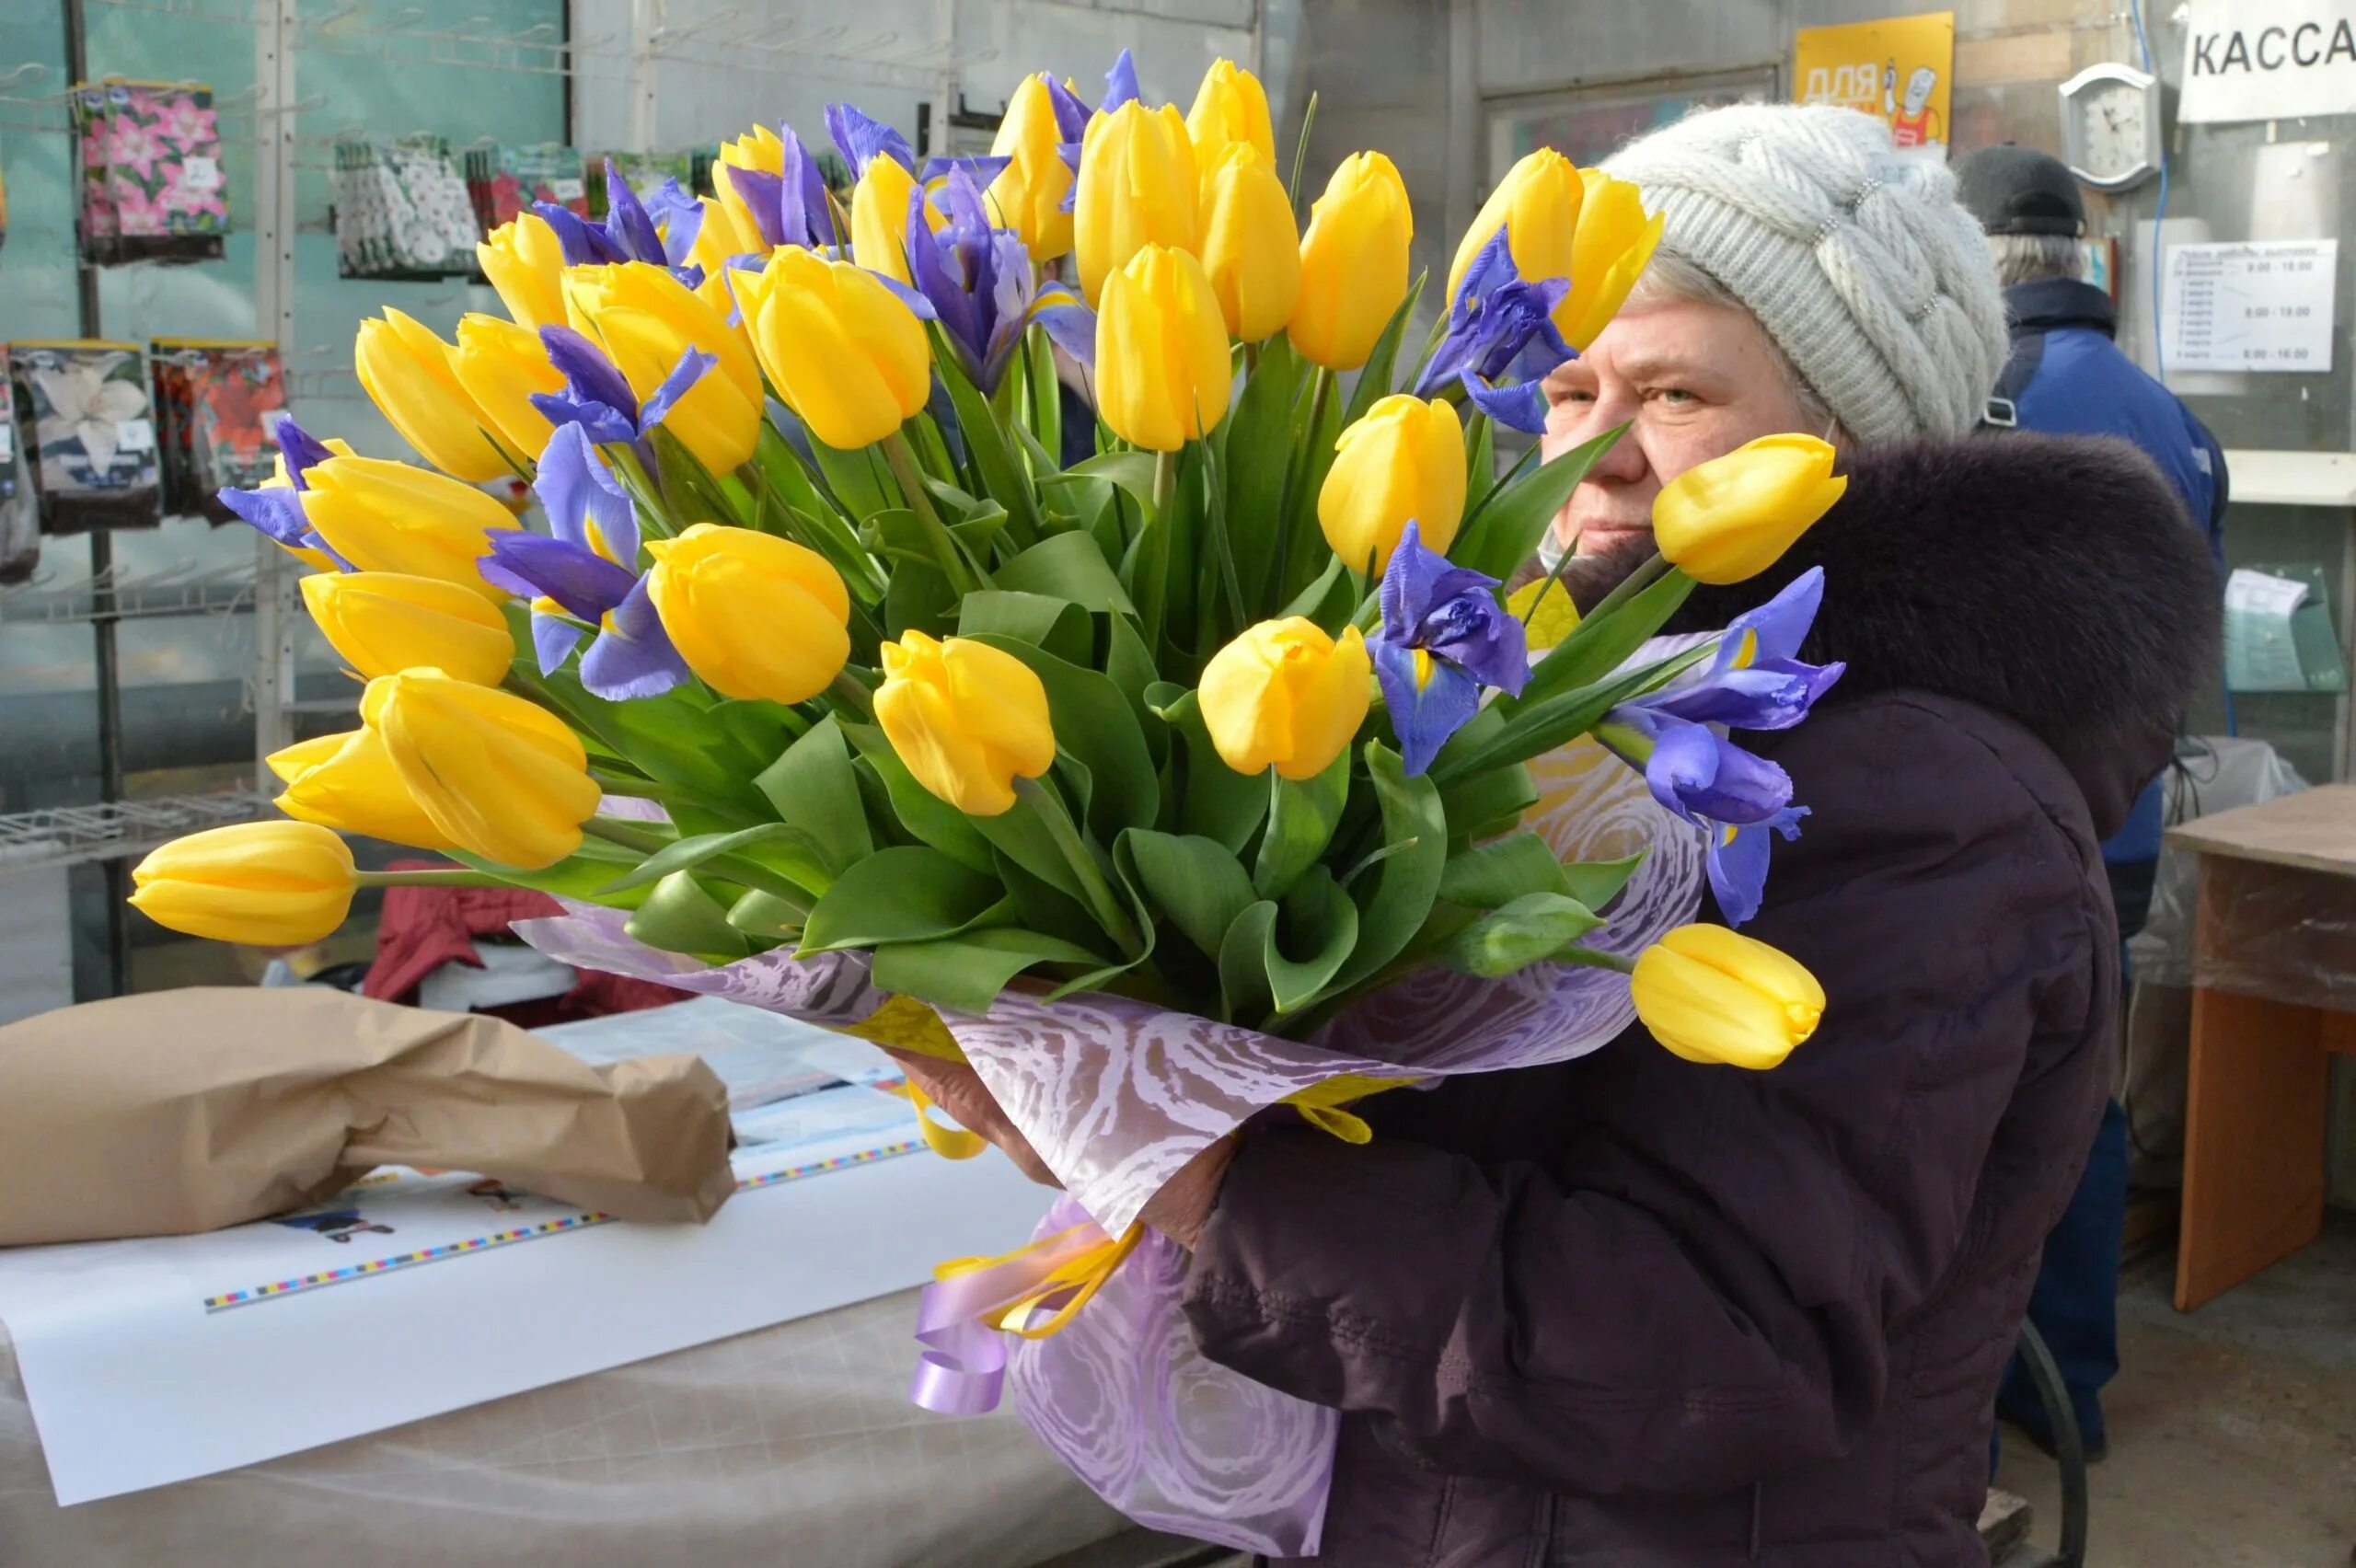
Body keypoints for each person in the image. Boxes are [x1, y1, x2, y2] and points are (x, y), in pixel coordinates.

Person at [896, 105, 2221, 1564]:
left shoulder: (1924, 807)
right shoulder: (1555, 722)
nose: (1592, 450)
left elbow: (1699, 1347)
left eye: (1673, 394)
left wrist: (1213, 1183)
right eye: (1570, 384)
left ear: (1856, 431)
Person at [1955, 140, 2231, 1465]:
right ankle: (2072, 1386)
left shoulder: (1987, 399)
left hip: (1997, 826)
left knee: (1968, 1094)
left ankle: (1960, 1395)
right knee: (2086, 1092)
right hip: (2122, 825)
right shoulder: (2172, 417)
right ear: (2081, 260)